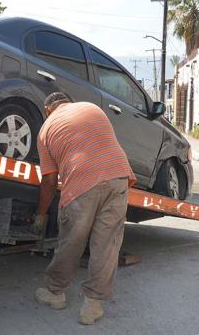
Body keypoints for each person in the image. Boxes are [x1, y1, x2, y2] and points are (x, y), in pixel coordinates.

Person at [32, 92, 136, 325]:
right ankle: (92, 305)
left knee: (71, 241)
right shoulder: (92, 107)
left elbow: (49, 181)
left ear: (48, 109)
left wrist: (40, 214)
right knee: (106, 245)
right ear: (69, 101)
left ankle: (55, 293)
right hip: (118, 176)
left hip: (81, 183)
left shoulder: (46, 129)